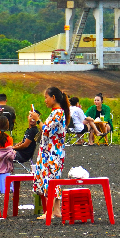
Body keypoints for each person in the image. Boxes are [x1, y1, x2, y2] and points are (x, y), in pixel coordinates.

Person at [32, 87, 70, 221]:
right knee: (53, 179)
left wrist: (38, 120)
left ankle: (49, 211)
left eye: (46, 97)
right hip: (51, 151)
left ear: (53, 97)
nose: (45, 101)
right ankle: (57, 210)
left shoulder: (58, 113)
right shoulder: (56, 112)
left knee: (49, 179)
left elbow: (47, 130)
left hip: (52, 152)